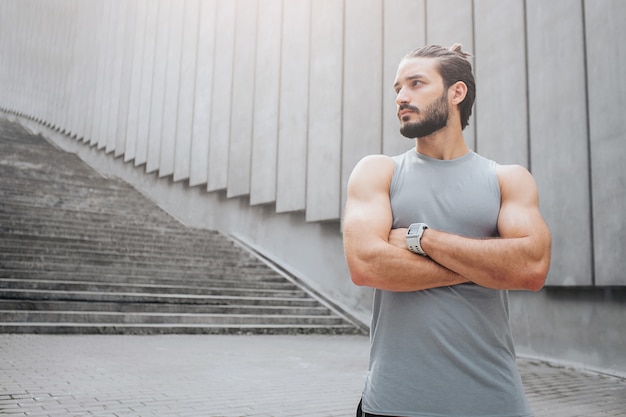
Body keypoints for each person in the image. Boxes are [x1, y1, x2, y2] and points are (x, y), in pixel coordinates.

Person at [343, 44, 552, 417]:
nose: (401, 98)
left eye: (416, 83)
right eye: (397, 89)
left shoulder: (507, 179)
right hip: (394, 403)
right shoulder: (378, 172)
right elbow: (365, 266)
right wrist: (488, 265)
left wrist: (419, 239)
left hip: (494, 402)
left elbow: (531, 269)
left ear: (457, 92)